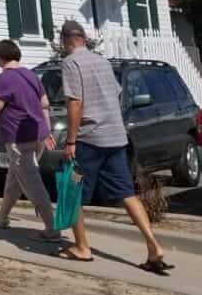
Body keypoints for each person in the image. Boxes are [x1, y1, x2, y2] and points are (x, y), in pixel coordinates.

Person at [56, 20, 173, 275]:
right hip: (116, 137)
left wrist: (71, 141)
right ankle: (153, 245)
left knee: (71, 191)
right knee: (126, 193)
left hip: (89, 139)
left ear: (66, 40)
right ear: (84, 38)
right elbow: (117, 94)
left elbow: (75, 104)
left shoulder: (70, 63)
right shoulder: (102, 61)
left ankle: (82, 248)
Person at [0, 39, 62, 241]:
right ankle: (2, 217)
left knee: (31, 182)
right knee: (14, 179)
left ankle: (52, 229)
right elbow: (44, 104)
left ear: (0, 58)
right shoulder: (32, 76)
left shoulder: (4, 79)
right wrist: (47, 131)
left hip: (19, 138)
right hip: (37, 135)